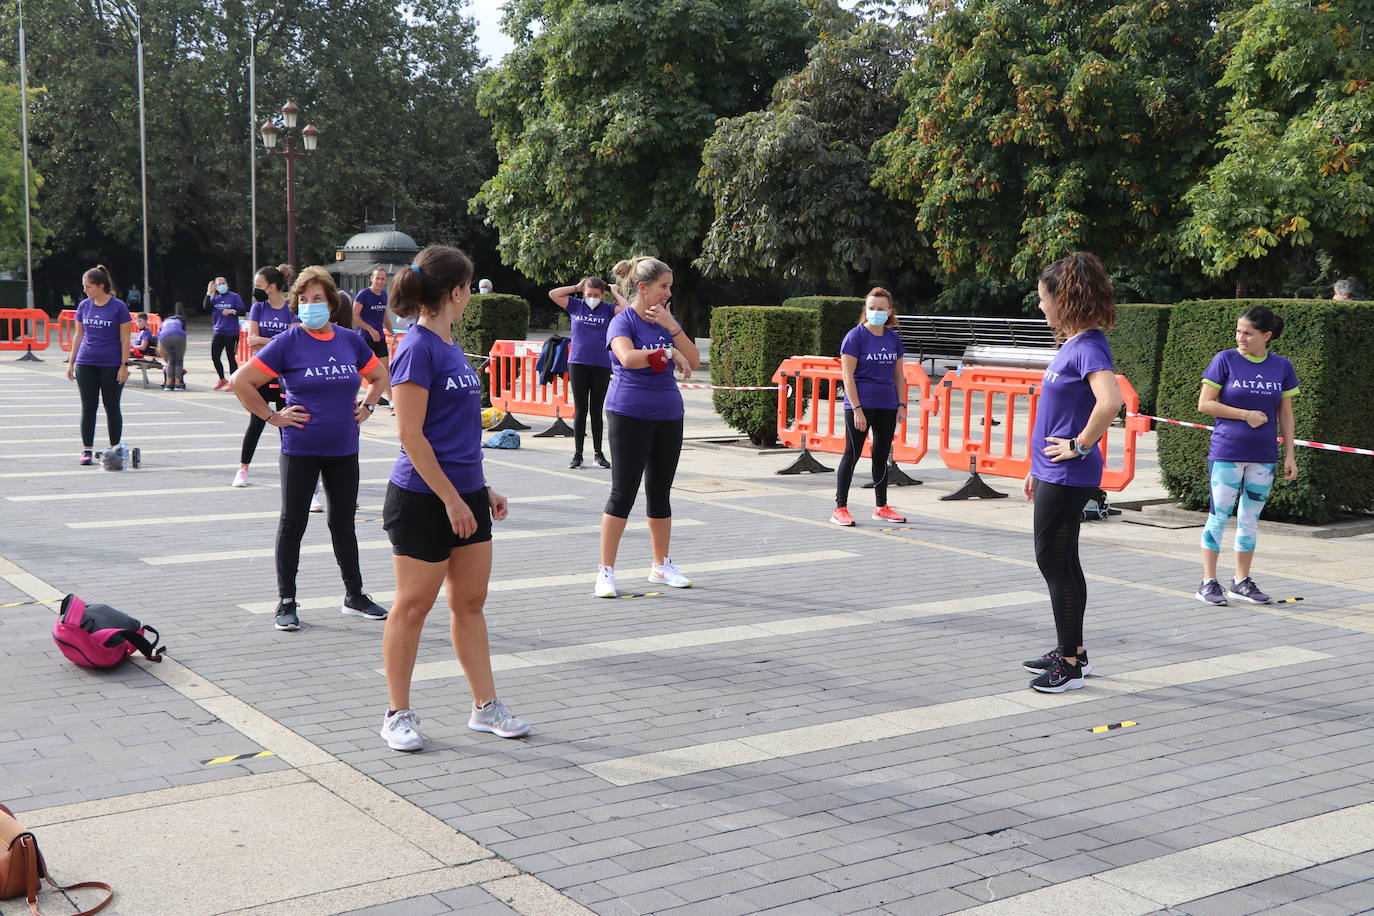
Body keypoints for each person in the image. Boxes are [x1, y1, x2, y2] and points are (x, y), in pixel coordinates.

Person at [377, 246, 530, 753]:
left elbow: (454, 433)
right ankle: (397, 713)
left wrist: (479, 491)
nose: (470, 294)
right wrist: (451, 499)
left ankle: (485, 707)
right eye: (469, 287)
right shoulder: (416, 347)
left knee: (469, 603)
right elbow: (411, 436)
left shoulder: (448, 344)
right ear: (457, 291)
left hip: (464, 493)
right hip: (423, 497)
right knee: (413, 606)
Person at [229, 266, 390, 631]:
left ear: (331, 303)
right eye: (303, 299)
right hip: (301, 448)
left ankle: (355, 595)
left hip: (344, 447)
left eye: (317, 299)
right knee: (293, 523)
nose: (310, 305)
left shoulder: (349, 340)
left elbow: (379, 375)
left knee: (342, 522)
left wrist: (367, 406)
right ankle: (286, 600)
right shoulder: (288, 341)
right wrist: (272, 416)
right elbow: (242, 382)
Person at [1020, 252, 1123, 694]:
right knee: (1063, 563)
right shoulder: (1075, 344)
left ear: (1064, 299)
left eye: (1044, 299)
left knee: (1054, 563)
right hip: (1051, 473)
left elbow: (1110, 402)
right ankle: (1073, 651)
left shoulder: (1090, 346)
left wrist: (1081, 445)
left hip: (1067, 474)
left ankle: (1069, 665)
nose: (1041, 307)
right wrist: (1033, 468)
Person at [594, 257, 701, 599]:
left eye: (670, 286)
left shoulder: (665, 320)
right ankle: (606, 571)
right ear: (643, 288)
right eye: (663, 287)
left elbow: (695, 360)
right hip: (629, 411)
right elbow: (627, 358)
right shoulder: (622, 321)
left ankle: (661, 565)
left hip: (668, 413)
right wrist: (666, 352)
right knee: (622, 493)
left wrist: (672, 328)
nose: (669, 293)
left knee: (660, 491)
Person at [1194, 305, 1299, 606]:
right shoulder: (1224, 360)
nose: (1241, 337)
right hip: (1227, 452)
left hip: (1264, 456)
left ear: (1266, 336)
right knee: (1219, 517)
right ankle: (1207, 582)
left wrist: (1289, 454)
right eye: (1239, 331)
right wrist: (1245, 415)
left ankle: (1241, 581)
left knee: (1250, 520)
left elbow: (1287, 414)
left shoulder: (1281, 366)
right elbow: (1205, 403)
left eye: (1248, 333)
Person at [831, 289, 909, 527]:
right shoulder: (854, 337)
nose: (875, 312)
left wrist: (902, 404)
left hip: (886, 405)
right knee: (851, 454)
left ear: (890, 312)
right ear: (865, 310)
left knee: (881, 455)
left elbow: (899, 376)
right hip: (860, 405)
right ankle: (840, 508)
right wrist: (856, 409)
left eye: (880, 309)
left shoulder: (893, 338)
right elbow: (848, 377)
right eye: (871, 308)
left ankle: (881, 506)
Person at [548, 276, 629, 468]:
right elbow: (553, 294)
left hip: (601, 364)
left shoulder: (608, 309)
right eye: (589, 294)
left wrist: (614, 292)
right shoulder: (576, 305)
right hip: (578, 363)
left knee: (596, 410)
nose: (592, 298)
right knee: (581, 409)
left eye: (596, 295)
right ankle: (578, 454)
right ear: (584, 294)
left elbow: (628, 311)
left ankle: (598, 454)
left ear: (602, 295)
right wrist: (576, 286)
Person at [231, 265, 298, 487]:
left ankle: (291, 474)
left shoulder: (291, 308)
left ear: (271, 287)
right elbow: (252, 339)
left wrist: (265, 341)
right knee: (257, 420)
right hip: (260, 370)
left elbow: (293, 342)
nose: (255, 290)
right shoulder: (258, 307)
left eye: (258, 286)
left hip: (284, 373)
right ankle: (242, 469)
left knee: (285, 421)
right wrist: (277, 340)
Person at [66, 266, 132, 466]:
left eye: (89, 287)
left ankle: (115, 449)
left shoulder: (118, 307)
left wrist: (124, 365)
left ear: (100, 286)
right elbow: (78, 335)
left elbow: (125, 338)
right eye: (84, 287)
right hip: (86, 363)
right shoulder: (84, 306)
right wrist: (71, 362)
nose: (85, 290)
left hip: (111, 364)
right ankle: (87, 449)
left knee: (112, 407)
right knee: (88, 407)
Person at [354, 267, 394, 408]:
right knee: (360, 370)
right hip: (365, 337)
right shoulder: (363, 294)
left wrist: (391, 332)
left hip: (380, 338)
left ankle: (392, 401)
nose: (380, 281)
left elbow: (384, 316)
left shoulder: (383, 294)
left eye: (382, 279)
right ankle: (351, 400)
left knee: (385, 370)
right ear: (372, 278)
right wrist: (370, 329)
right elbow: (354, 315)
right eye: (377, 278)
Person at [206, 276, 246, 390]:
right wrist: (209, 293)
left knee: (231, 357)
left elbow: (242, 310)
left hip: (232, 332)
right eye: (220, 284)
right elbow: (206, 306)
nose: (222, 285)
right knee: (215, 356)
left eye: (224, 283)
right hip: (219, 331)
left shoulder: (234, 297)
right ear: (216, 287)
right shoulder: (214, 297)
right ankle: (222, 379)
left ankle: (233, 382)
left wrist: (233, 311)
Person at [158, 314, 187, 390]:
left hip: (164, 337)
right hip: (179, 336)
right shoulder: (180, 322)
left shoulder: (164, 323)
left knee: (171, 361)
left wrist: (167, 359)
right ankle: (178, 385)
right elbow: (183, 332)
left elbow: (160, 349)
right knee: (179, 361)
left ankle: (168, 385)